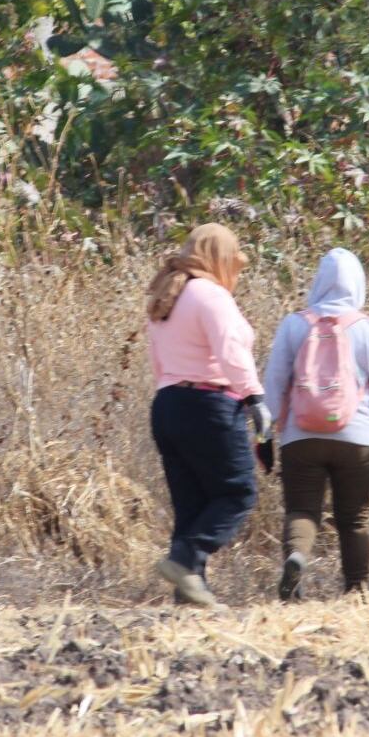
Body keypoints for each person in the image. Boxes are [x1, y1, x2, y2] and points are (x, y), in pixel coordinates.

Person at [260, 248, 369, 600]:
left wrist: (264, 435)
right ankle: (356, 591)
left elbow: (273, 385)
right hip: (357, 438)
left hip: (300, 436)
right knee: (354, 519)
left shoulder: (294, 325)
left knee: (301, 511)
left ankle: (297, 561)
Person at [144, 224, 272, 607]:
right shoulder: (211, 295)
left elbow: (158, 360)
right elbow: (231, 351)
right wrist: (255, 398)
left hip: (167, 404)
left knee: (192, 504)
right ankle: (184, 561)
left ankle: (189, 593)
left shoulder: (168, 293)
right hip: (210, 404)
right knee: (237, 493)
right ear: (219, 257)